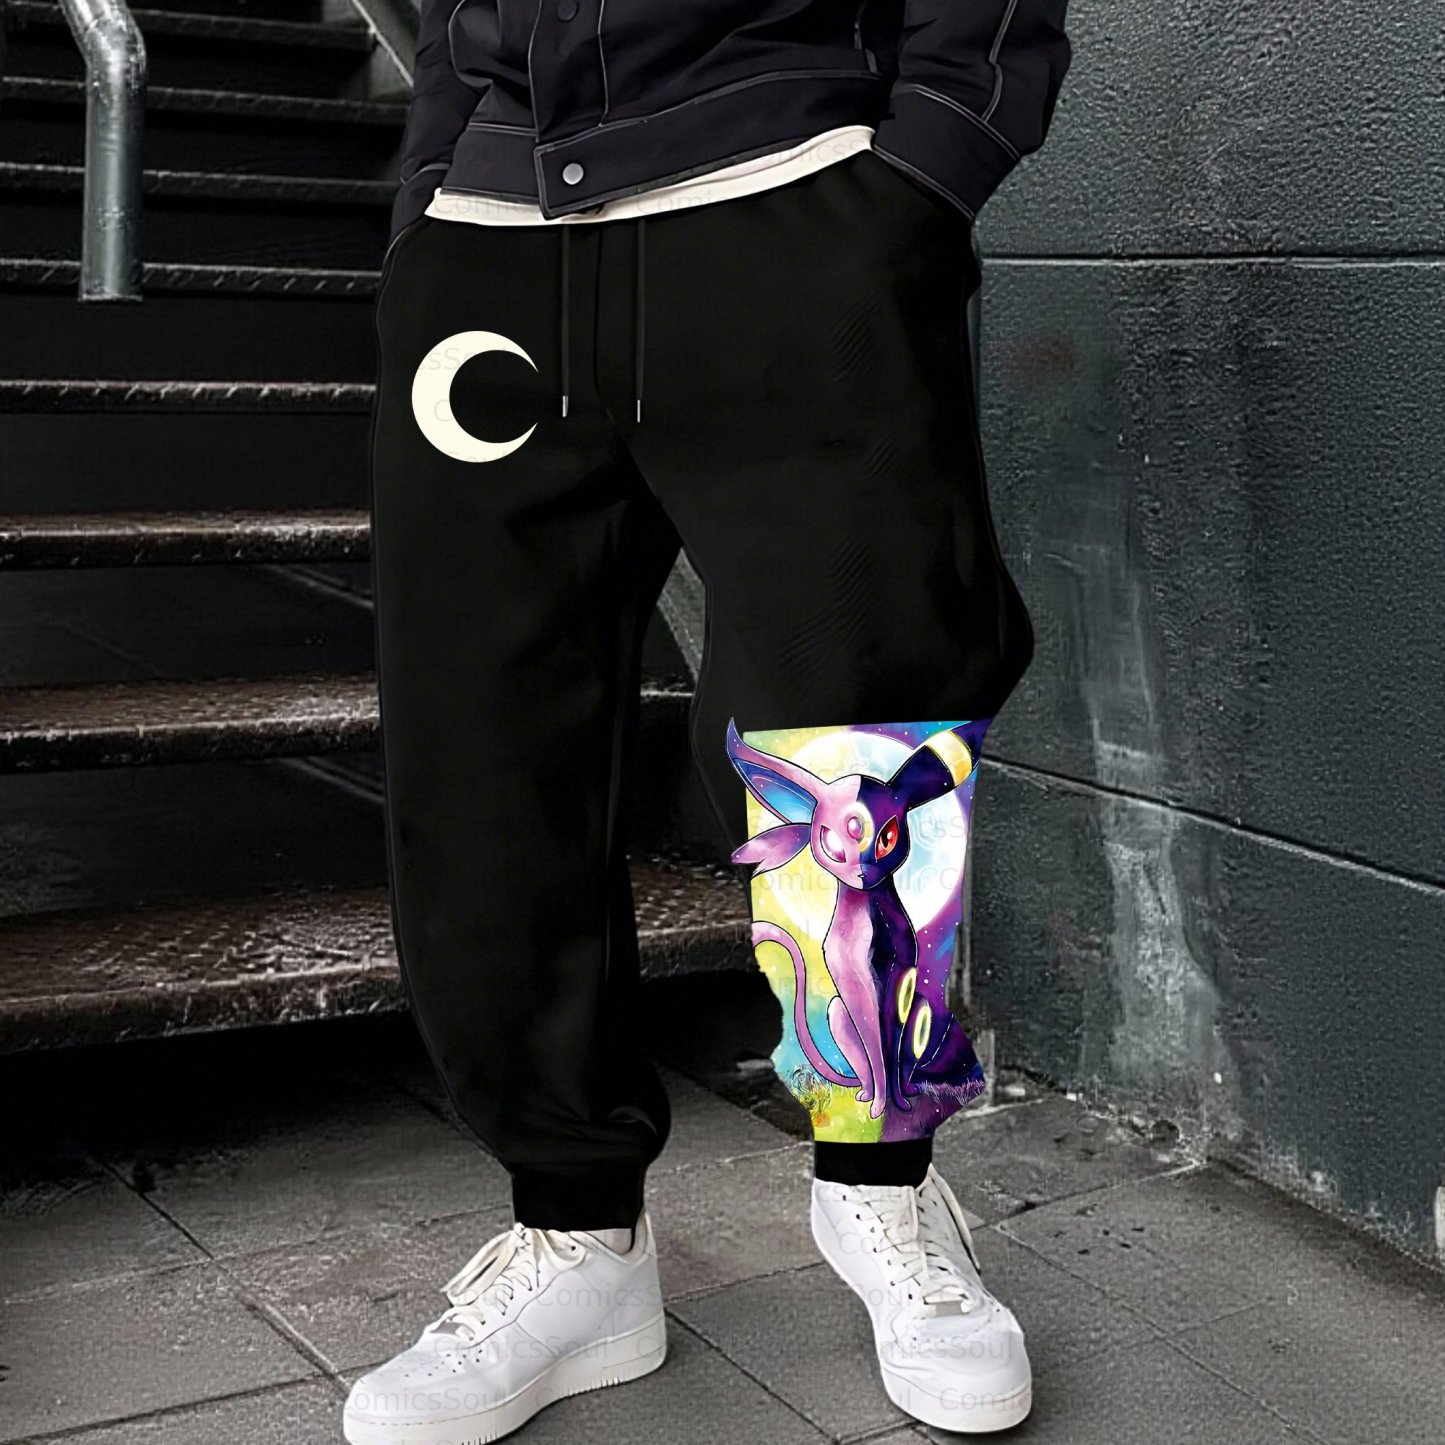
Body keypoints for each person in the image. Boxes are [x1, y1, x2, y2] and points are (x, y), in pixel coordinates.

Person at [345, 3, 1071, 1440]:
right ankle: (575, 1233)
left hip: (786, 200)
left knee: (853, 740)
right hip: (490, 250)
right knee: (483, 755)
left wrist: (924, 165)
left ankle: (883, 1190)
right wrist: (430, 192)